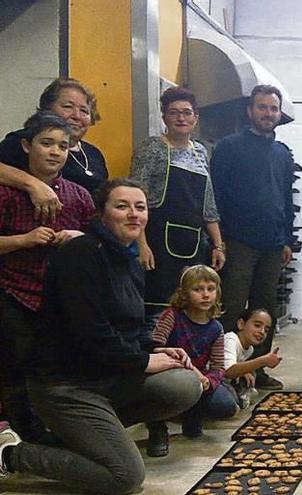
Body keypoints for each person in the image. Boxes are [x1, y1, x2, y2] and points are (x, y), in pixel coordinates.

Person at [0, 178, 202, 494]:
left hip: (105, 377)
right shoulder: (80, 254)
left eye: (141, 207)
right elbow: (90, 335)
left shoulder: (128, 259)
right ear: (101, 213)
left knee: (184, 384)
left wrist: (159, 350)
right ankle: (13, 455)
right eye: (122, 206)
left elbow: (128, 328)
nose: (134, 214)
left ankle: (90, 437)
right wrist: (146, 361)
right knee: (125, 478)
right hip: (66, 385)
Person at [0, 112, 95, 443]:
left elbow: (98, 249)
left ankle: (58, 429)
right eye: (46, 143)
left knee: (57, 369)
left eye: (63, 146)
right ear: (27, 145)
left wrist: (78, 238)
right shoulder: (6, 193)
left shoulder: (80, 196)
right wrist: (23, 240)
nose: (55, 152)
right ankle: (23, 438)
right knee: (17, 369)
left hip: (60, 301)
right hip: (13, 295)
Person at [211, 84, 297, 391]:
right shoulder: (229, 147)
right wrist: (219, 240)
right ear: (250, 111)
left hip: (273, 244)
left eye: (273, 109)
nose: (268, 113)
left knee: (265, 310)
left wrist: (287, 239)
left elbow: (286, 200)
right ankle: (224, 374)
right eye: (263, 107)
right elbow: (215, 196)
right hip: (238, 241)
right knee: (233, 308)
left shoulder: (282, 154)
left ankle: (259, 371)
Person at [130, 87, 225, 322]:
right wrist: (141, 245)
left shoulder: (201, 152)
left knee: (192, 308)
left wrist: (218, 245)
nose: (181, 118)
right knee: (159, 310)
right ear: (164, 117)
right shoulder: (152, 148)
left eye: (186, 112)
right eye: (174, 112)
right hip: (157, 242)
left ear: (195, 118)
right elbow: (136, 199)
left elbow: (208, 203)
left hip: (194, 243)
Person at [147, 265, 237, 457]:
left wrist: (208, 381)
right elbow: (155, 347)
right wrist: (191, 371)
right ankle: (157, 425)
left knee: (227, 405)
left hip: (198, 377)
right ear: (184, 294)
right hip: (168, 372)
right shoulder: (172, 316)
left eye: (210, 289)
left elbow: (218, 367)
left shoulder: (216, 328)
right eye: (198, 289)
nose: (205, 295)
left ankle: (190, 413)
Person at [0, 78, 108, 217]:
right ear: (47, 109)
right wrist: (34, 185)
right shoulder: (22, 140)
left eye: (84, 111)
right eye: (68, 107)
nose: (77, 116)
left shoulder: (94, 154)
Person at [223, 308, 282, 408]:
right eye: (257, 325)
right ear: (241, 324)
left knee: (251, 374)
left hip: (228, 380)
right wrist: (262, 361)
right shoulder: (230, 339)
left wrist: (245, 371)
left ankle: (239, 394)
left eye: (266, 330)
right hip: (214, 380)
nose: (262, 332)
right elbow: (228, 371)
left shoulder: (249, 349)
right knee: (228, 406)